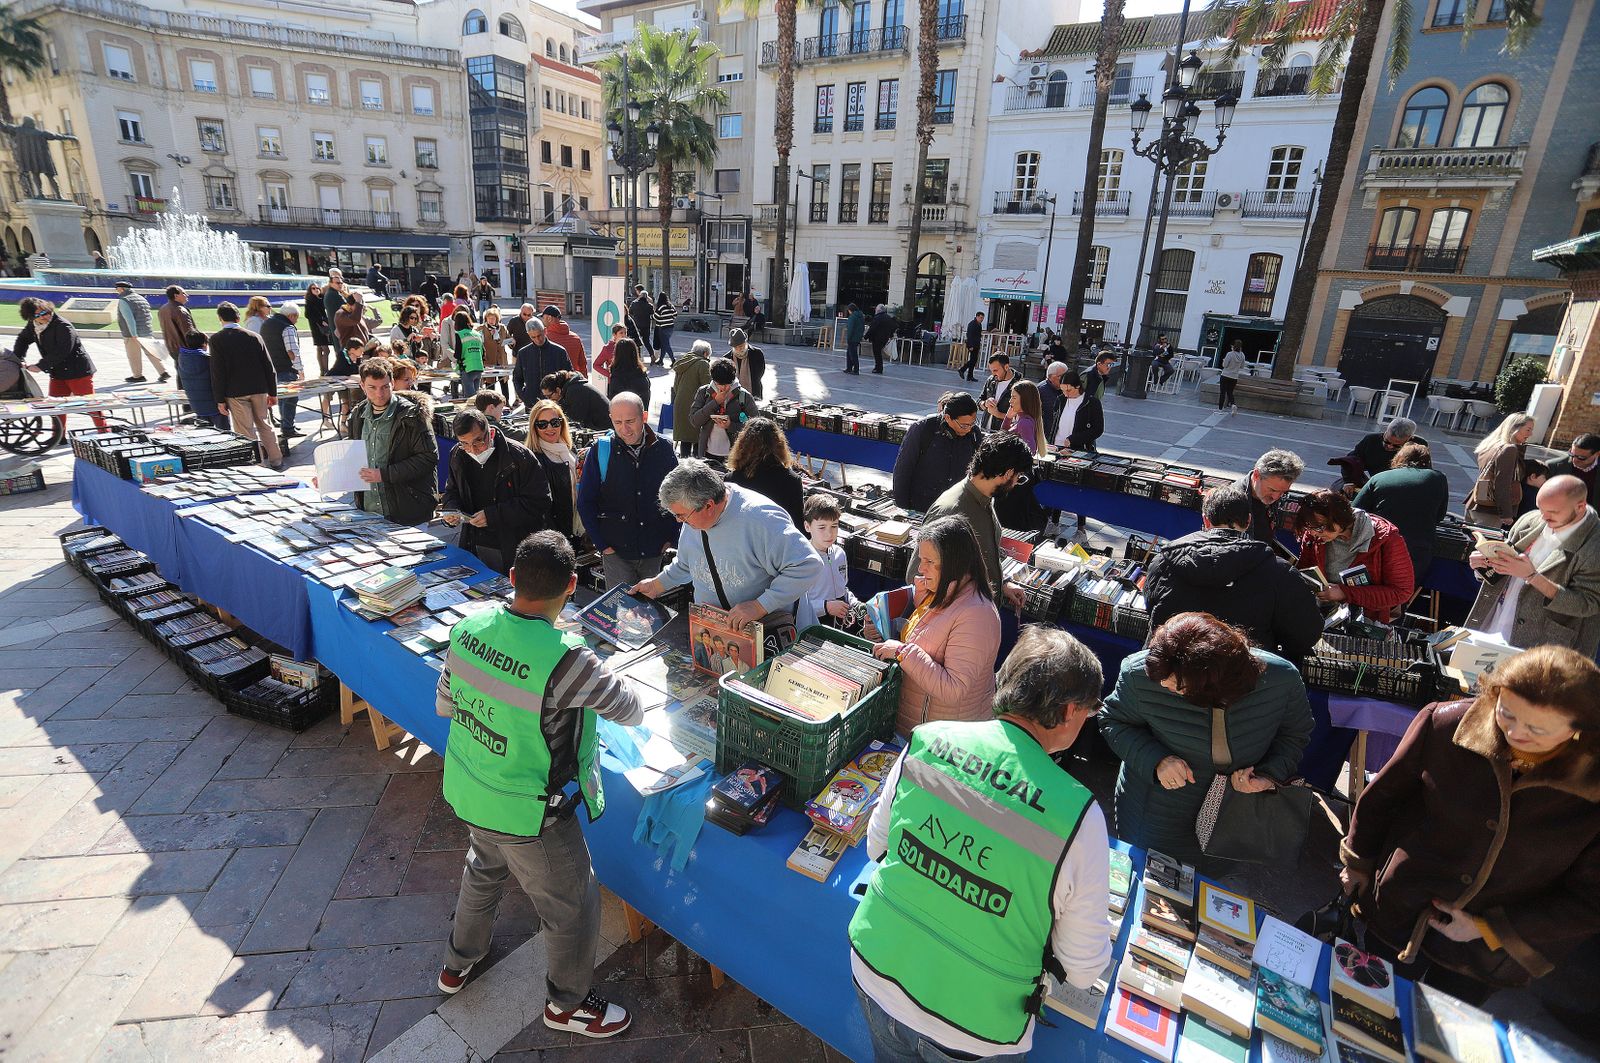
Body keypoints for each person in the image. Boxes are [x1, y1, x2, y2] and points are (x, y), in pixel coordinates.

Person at [848, 625, 1111, 1061]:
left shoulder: (927, 740)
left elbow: (877, 847)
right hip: (976, 1025)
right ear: (1069, 711)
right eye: (1089, 712)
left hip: (877, 967)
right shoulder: (1080, 818)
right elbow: (1082, 970)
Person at [434, 530, 640, 1040]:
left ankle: (458, 962)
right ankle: (566, 1006)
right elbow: (631, 711)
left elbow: (445, 704)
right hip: (530, 812)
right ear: (572, 586)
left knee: (483, 867)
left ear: (511, 579)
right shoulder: (569, 659)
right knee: (573, 905)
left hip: (472, 787)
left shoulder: (469, 628)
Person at [1339, 645, 1600, 1000]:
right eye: (1506, 713)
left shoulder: (1593, 786)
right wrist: (1358, 862)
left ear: (1579, 730)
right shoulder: (1447, 724)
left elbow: (1588, 900)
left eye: (1536, 728)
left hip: (1486, 953)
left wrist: (1487, 929)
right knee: (1360, 1004)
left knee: (1432, 1041)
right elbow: (1383, 798)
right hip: (1400, 907)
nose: (1516, 733)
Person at [1100, 612, 1313, 866]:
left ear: (1212, 683)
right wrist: (1156, 761)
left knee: (1210, 892)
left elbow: (1294, 735)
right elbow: (1113, 721)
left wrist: (1268, 777)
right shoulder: (1139, 675)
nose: (1166, 687)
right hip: (1158, 815)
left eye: (1179, 687)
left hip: (1231, 819)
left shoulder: (1282, 679)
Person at [1143, 485, 1324, 663]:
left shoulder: (1163, 561)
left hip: (1171, 670)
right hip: (1242, 677)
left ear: (1205, 521)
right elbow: (1305, 634)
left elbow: (1152, 611)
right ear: (1248, 522)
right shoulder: (1279, 571)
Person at [631, 460, 821, 629]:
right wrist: (657, 585)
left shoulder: (761, 519)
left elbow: (808, 565)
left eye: (682, 515)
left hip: (771, 631)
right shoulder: (695, 515)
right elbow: (687, 564)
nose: (679, 521)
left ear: (708, 506)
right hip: (720, 634)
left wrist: (760, 605)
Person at [866, 515, 1004, 737]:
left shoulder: (978, 614)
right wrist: (880, 631)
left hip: (945, 744)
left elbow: (953, 689)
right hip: (916, 730)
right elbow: (924, 643)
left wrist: (901, 652)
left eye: (930, 562)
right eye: (921, 560)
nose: (921, 569)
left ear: (954, 562)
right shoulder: (938, 593)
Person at [1465, 474, 1600, 656]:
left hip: (1544, 648)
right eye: (1540, 508)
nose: (1543, 517)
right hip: (1493, 622)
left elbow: (1587, 604)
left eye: (1552, 512)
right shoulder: (1530, 519)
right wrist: (1483, 565)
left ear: (1580, 507)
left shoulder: (1594, 545)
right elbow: (1504, 570)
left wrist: (1532, 577)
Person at [576, 393, 679, 588]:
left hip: (654, 547)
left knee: (650, 612)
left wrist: (671, 537)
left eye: (630, 421)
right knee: (621, 612)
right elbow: (585, 502)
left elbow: (677, 496)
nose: (625, 429)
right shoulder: (600, 450)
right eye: (618, 422)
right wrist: (602, 545)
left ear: (644, 417)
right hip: (616, 550)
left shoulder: (664, 448)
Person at [925, 433, 1033, 610]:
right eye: (1018, 478)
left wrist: (1003, 583)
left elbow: (981, 559)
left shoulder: (986, 497)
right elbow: (917, 573)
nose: (1015, 484)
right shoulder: (952, 509)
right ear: (1008, 473)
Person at [439, 409, 550, 573]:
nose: (473, 449)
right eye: (465, 443)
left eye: (478, 441)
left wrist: (492, 515)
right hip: (474, 541)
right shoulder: (457, 454)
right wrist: (451, 511)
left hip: (514, 545)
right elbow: (452, 491)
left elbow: (539, 502)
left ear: (490, 432)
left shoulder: (519, 456)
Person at [1294, 489, 1416, 623]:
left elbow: (1401, 592)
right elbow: (1304, 571)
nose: (1313, 533)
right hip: (1320, 614)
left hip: (1365, 621)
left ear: (1339, 519)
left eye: (1318, 527)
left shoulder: (1386, 539)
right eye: (1309, 527)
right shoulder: (1314, 535)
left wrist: (1344, 593)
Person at [343, 357, 440, 526]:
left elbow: (428, 457)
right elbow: (354, 453)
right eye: (372, 388)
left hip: (408, 510)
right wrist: (329, 473)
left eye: (385, 387)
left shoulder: (413, 415)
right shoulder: (358, 415)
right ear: (362, 387)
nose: (379, 394)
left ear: (393, 383)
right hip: (369, 510)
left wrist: (384, 474)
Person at [1352, 442, 1451, 580]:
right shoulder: (1439, 478)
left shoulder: (1380, 478)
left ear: (1399, 458)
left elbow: (1357, 511)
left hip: (1381, 544)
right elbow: (1440, 515)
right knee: (1404, 588)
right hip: (1417, 548)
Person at [209, 302, 283, 468]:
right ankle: (276, 459)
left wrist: (219, 399)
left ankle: (258, 464)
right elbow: (268, 366)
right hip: (259, 388)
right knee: (265, 425)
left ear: (220, 318)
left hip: (235, 391)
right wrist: (273, 392)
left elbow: (217, 371)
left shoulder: (216, 339)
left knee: (245, 430)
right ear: (237, 317)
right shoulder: (253, 336)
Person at [16, 298, 106, 429]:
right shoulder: (33, 325)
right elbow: (22, 339)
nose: (45, 316)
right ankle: (58, 437)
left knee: (90, 405)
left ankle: (104, 431)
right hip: (58, 373)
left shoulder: (63, 326)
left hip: (78, 372)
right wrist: (19, 358)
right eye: (39, 315)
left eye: (46, 312)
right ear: (31, 317)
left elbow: (63, 351)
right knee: (56, 406)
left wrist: (40, 366)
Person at [891, 392, 982, 513]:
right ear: (948, 417)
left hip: (956, 507)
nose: (969, 428)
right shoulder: (923, 429)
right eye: (964, 425)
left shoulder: (974, 434)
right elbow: (903, 470)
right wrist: (902, 506)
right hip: (923, 506)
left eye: (972, 423)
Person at [726, 416, 805, 528]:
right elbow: (798, 526)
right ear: (780, 444)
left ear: (743, 445)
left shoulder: (731, 480)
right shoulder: (792, 481)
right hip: (777, 543)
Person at [801, 494, 859, 630]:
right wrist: (825, 607)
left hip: (840, 623)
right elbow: (796, 606)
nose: (829, 534)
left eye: (834, 526)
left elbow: (842, 588)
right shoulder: (802, 559)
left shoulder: (840, 553)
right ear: (807, 526)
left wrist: (855, 603)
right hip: (814, 626)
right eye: (822, 527)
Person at [1467, 414, 1533, 529]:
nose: (1530, 434)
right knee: (1485, 546)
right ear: (1514, 428)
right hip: (1490, 510)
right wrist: (1506, 513)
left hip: (1476, 502)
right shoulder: (1509, 449)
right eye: (1528, 429)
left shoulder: (1491, 445)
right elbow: (1502, 482)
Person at [527, 399, 581, 540]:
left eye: (555, 422)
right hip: (556, 535)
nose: (550, 428)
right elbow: (540, 508)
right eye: (542, 425)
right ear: (534, 428)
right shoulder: (533, 459)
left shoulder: (569, 449)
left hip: (577, 528)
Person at [690, 357, 760, 464]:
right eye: (719, 384)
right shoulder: (704, 392)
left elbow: (757, 427)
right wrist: (715, 402)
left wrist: (731, 425)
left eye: (726, 385)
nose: (722, 388)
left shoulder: (744, 396)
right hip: (706, 452)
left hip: (734, 455)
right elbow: (694, 421)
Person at [1235, 449, 1305, 545]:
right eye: (1272, 490)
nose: (1276, 497)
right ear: (1256, 475)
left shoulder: (1267, 494)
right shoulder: (1233, 502)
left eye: (1283, 492)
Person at [260, 303, 304, 441]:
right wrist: (300, 370)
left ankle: (287, 426)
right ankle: (288, 428)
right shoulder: (287, 327)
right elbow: (292, 352)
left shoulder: (267, 324)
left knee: (283, 398)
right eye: (296, 318)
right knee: (290, 398)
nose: (296, 321)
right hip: (285, 368)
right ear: (291, 315)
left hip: (271, 368)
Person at [1342, 417, 1426, 489]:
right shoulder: (1371, 440)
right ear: (1385, 432)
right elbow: (1350, 460)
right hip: (1377, 483)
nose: (1390, 446)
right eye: (1387, 442)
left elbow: (1424, 472)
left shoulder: (1418, 446)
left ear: (1409, 439)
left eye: (1396, 446)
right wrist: (1349, 482)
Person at [113, 281, 169, 383]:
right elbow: (150, 316)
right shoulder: (142, 298)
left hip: (132, 334)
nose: (117, 291)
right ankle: (163, 372)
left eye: (117, 289)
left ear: (121, 289)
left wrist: (134, 334)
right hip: (146, 331)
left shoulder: (124, 300)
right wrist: (147, 328)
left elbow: (129, 319)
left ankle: (137, 376)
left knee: (133, 355)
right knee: (152, 352)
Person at [175, 330, 227, 430]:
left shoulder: (182, 359)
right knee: (224, 432)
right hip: (215, 403)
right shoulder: (208, 360)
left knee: (205, 432)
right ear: (204, 344)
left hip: (196, 404)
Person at [513, 319, 573, 405]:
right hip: (532, 403)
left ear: (545, 331)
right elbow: (517, 378)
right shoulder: (523, 353)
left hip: (555, 403)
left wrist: (562, 396)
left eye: (539, 335)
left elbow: (569, 376)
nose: (537, 339)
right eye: (533, 337)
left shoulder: (559, 351)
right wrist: (524, 396)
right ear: (528, 335)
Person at [669, 339, 712, 457]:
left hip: (680, 403)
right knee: (697, 437)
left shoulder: (683, 361)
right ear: (705, 353)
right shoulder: (703, 363)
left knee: (685, 438)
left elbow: (676, 385)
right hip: (695, 406)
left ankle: (684, 463)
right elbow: (707, 387)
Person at [1049, 369, 1103, 453]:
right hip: (1056, 448)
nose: (1066, 394)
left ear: (1078, 386)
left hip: (1078, 450)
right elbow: (1053, 423)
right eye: (1063, 390)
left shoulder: (1092, 403)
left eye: (1069, 390)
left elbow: (1098, 429)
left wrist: (1074, 439)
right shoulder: (1060, 400)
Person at [541, 370, 611, 432]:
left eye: (549, 396)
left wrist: (560, 403)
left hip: (605, 428)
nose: (549, 399)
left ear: (558, 390)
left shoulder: (574, 390)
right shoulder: (573, 387)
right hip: (600, 425)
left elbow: (576, 418)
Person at [1547, 432, 1600, 508]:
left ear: (1597, 454)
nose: (1574, 460)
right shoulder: (1553, 466)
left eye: (1581, 458)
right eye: (1572, 455)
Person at [1002, 379, 1047, 455]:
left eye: (1014, 397)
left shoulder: (1025, 423)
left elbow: (1030, 452)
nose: (1010, 401)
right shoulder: (1024, 420)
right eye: (1011, 397)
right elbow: (1001, 437)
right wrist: (1008, 418)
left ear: (1025, 400)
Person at [605, 337, 650, 410]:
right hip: (639, 414)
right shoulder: (642, 374)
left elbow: (612, 400)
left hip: (621, 416)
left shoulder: (616, 376)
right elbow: (646, 398)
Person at [542, 305, 588, 375]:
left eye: (543, 317)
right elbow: (582, 364)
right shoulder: (576, 338)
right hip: (571, 380)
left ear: (549, 318)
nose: (542, 320)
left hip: (552, 381)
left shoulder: (545, 338)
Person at [976, 353, 1016, 432]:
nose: (993, 374)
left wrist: (998, 414)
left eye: (995, 370)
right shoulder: (991, 380)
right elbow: (979, 402)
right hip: (984, 431)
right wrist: (985, 403)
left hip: (1002, 435)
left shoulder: (1019, 385)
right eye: (991, 371)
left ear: (1006, 367)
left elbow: (1020, 418)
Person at [302, 282, 333, 375]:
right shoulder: (310, 301)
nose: (316, 290)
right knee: (324, 349)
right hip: (317, 328)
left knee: (321, 348)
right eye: (313, 288)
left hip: (322, 326)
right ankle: (324, 369)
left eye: (317, 288)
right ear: (310, 290)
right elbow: (308, 314)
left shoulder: (322, 298)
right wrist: (320, 320)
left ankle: (323, 370)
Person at [453, 310, 485, 398]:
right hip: (479, 367)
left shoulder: (459, 334)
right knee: (476, 397)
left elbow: (458, 354)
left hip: (467, 367)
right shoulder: (477, 334)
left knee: (469, 398)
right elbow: (483, 353)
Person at [728, 327, 766, 399]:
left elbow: (760, 372)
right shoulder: (728, 358)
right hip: (733, 394)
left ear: (745, 343)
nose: (739, 349)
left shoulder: (757, 353)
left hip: (754, 391)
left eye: (741, 346)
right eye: (736, 347)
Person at [1039, 360, 1068, 440]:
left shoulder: (1065, 389)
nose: (1066, 379)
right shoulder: (1041, 390)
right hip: (1045, 435)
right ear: (1051, 377)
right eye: (1062, 376)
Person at [866, 303, 896, 375]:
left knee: (877, 353)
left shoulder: (877, 317)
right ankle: (878, 367)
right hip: (884, 338)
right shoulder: (888, 318)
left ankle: (878, 368)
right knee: (878, 353)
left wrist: (866, 336)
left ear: (879, 310)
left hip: (877, 338)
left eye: (876, 309)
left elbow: (872, 328)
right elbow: (892, 327)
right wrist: (890, 335)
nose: (875, 310)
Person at [628, 284, 656, 363]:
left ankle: (638, 358)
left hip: (637, 325)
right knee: (646, 341)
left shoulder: (634, 303)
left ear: (640, 296)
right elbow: (652, 313)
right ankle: (652, 355)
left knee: (637, 341)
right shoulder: (649, 305)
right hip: (647, 325)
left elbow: (630, 312)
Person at [651, 290, 677, 366]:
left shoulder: (661, 307)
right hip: (671, 327)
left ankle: (673, 360)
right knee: (664, 344)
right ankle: (661, 360)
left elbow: (656, 317)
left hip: (663, 327)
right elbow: (675, 315)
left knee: (666, 345)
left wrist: (651, 317)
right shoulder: (671, 305)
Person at [1219, 340, 1246, 411]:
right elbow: (1242, 366)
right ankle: (1233, 404)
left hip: (1225, 375)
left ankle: (1220, 409)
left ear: (1233, 346)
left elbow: (1225, 365)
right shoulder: (1242, 355)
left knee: (1222, 392)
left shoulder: (1230, 354)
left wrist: (1224, 361)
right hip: (1234, 377)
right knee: (1230, 392)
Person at [960, 309, 984, 381]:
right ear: (977, 317)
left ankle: (970, 376)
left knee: (974, 360)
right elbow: (969, 335)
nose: (981, 319)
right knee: (973, 360)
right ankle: (962, 369)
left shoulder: (979, 324)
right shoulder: (972, 324)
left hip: (976, 344)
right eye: (980, 317)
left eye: (982, 318)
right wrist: (970, 345)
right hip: (972, 344)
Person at [843, 302, 865, 375]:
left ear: (850, 310)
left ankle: (855, 369)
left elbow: (850, 329)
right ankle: (849, 368)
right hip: (857, 338)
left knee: (852, 354)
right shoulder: (861, 316)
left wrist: (848, 338)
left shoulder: (852, 317)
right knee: (850, 353)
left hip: (852, 338)